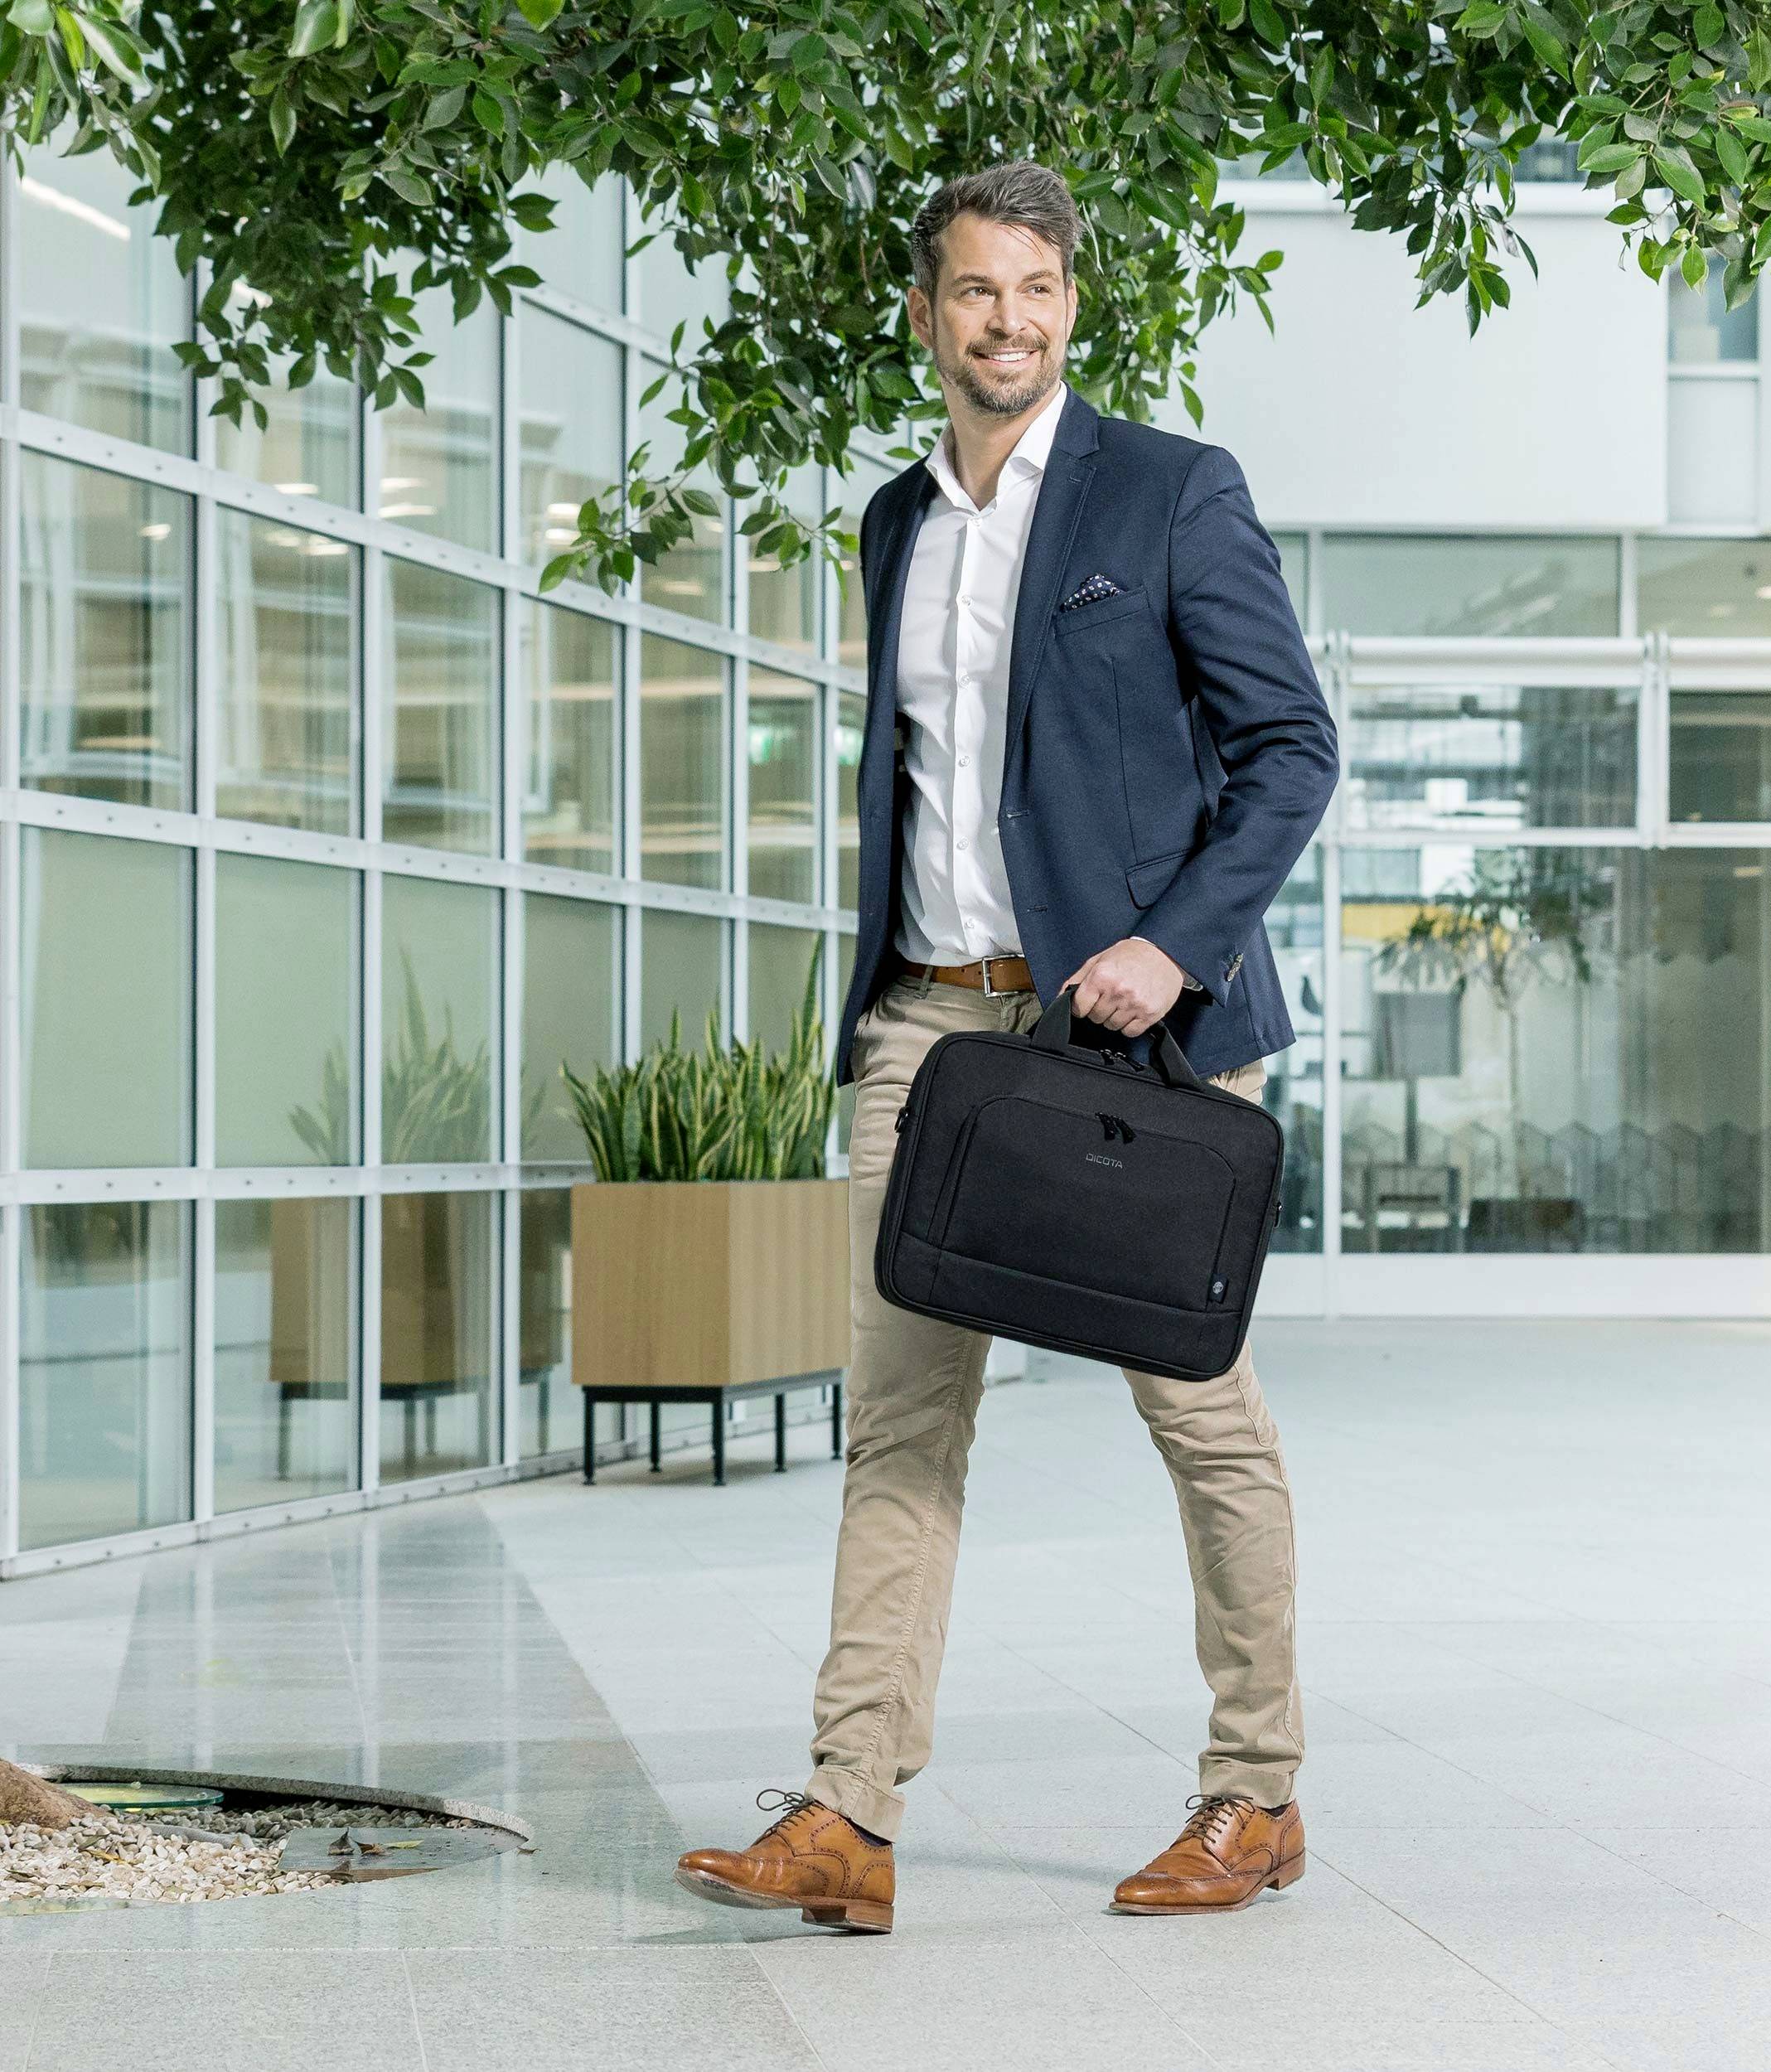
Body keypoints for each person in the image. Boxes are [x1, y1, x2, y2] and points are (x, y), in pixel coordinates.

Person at [675, 160, 1339, 1934]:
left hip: (1132, 1035)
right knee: (898, 1415)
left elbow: (1289, 747)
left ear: (1071, 304)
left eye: (1037, 289)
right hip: (924, 1022)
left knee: (1195, 1411)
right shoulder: (898, 522)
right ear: (924, 313)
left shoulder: (1171, 490)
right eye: (975, 290)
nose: (1008, 321)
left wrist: (1164, 946)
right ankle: (846, 1806)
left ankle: (1253, 1790)